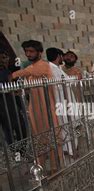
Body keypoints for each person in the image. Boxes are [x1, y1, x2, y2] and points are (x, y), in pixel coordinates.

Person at [11, 40, 62, 172]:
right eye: (26, 51)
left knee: (51, 136)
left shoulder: (42, 66)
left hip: (47, 107)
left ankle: (55, 167)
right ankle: (40, 167)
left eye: (31, 51)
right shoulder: (32, 70)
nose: (28, 54)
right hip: (35, 108)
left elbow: (21, 73)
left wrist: (12, 75)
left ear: (39, 52)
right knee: (38, 138)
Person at [0, 48, 27, 144]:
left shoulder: (6, 71)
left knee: (17, 128)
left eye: (6, 57)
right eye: (3, 57)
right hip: (6, 105)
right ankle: (16, 151)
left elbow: (12, 88)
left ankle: (19, 151)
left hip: (10, 103)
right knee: (10, 129)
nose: (6, 59)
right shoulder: (4, 72)